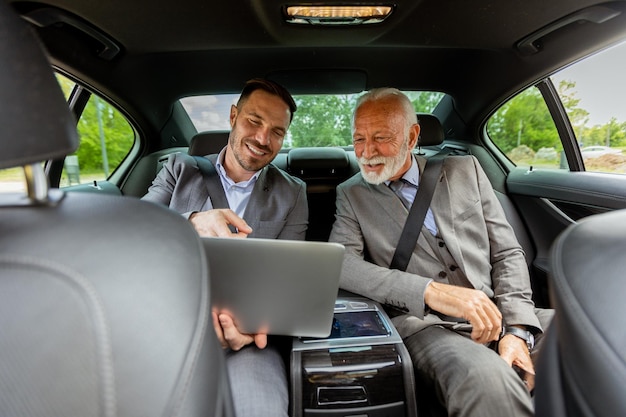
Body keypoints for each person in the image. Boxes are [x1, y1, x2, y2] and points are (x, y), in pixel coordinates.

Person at [328, 88, 553, 416]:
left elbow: (507, 252)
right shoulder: (351, 194)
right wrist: (429, 291)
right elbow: (343, 265)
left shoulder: (467, 170)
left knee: (592, 335)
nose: (366, 151)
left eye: (381, 137)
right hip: (427, 327)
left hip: (501, 312)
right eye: (358, 138)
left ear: (412, 135)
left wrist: (517, 331)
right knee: (487, 380)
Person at [142, 78, 308, 417]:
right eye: (254, 121)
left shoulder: (292, 192)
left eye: (277, 132)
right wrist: (190, 222)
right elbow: (133, 230)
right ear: (233, 116)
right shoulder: (179, 170)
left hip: (248, 340)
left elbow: (286, 280)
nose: (263, 139)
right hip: (169, 328)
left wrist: (249, 328)